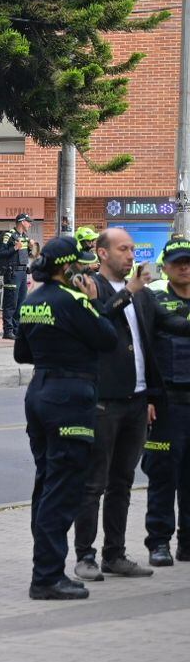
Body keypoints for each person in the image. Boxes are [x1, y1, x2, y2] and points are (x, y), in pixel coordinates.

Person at [13, 235, 119, 599]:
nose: (87, 268)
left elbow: (21, 354)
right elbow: (107, 339)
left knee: (46, 484)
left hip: (40, 392)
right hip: (70, 397)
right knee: (63, 488)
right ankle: (46, 577)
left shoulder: (32, 300)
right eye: (81, 263)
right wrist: (94, 303)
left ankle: (44, 569)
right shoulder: (75, 300)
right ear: (66, 267)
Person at [73, 227, 168, 580]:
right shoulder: (88, 286)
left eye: (132, 249)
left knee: (122, 482)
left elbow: (151, 342)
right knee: (93, 482)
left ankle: (115, 553)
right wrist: (129, 290)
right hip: (103, 401)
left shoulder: (142, 296)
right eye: (123, 249)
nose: (131, 256)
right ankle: (85, 555)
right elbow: (98, 320)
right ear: (102, 253)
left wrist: (151, 396)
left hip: (137, 400)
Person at [144, 239, 190, 566]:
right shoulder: (155, 301)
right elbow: (144, 353)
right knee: (163, 476)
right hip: (166, 404)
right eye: (178, 262)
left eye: (188, 261)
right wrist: (146, 398)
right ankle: (159, 543)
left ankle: (188, 544)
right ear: (166, 266)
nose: (184, 267)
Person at [0, 213, 36, 339]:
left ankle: (16, 329)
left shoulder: (25, 236)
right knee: (11, 303)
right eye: (28, 222)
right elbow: (1, 253)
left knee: (21, 303)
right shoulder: (9, 235)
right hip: (12, 273)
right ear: (21, 222)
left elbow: (27, 254)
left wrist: (31, 248)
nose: (30, 224)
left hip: (22, 273)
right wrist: (15, 248)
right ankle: (7, 331)